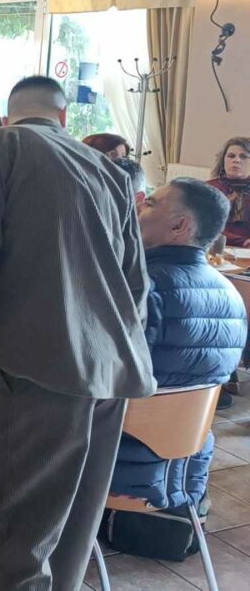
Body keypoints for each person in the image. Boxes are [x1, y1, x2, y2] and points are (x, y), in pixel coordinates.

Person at [0, 76, 155, 591]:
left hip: (35, 367)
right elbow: (136, 283)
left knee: (13, 532)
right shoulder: (110, 171)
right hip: (110, 372)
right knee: (72, 529)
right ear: (64, 118)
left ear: (9, 116)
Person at [106, 179, 246, 552]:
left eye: (151, 203)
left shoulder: (144, 289)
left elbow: (102, 377)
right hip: (186, 465)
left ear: (180, 225)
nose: (139, 207)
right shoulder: (231, 294)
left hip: (115, 464)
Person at [209, 136, 250, 247]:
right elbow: (200, 225)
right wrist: (242, 241)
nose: (236, 160)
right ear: (223, 160)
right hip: (213, 247)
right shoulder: (208, 189)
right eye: (231, 156)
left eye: (243, 156)